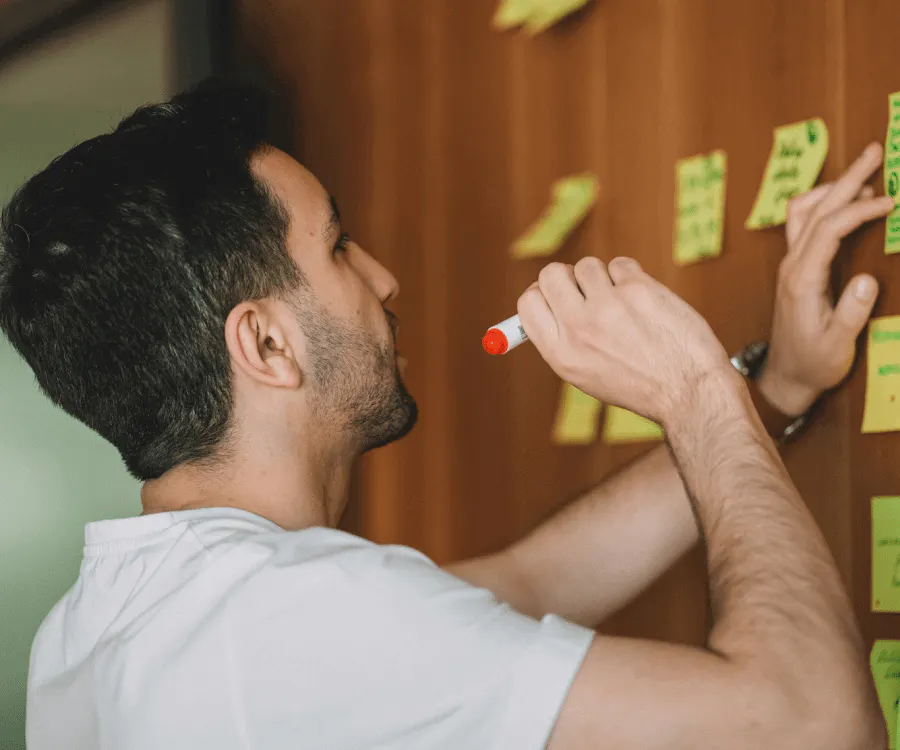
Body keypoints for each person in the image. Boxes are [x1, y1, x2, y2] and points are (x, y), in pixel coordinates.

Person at [0, 80, 891, 750]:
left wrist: (768, 393)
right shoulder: (291, 620)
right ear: (266, 345)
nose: (384, 280)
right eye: (339, 247)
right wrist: (693, 390)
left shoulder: (98, 627)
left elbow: (533, 578)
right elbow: (812, 724)